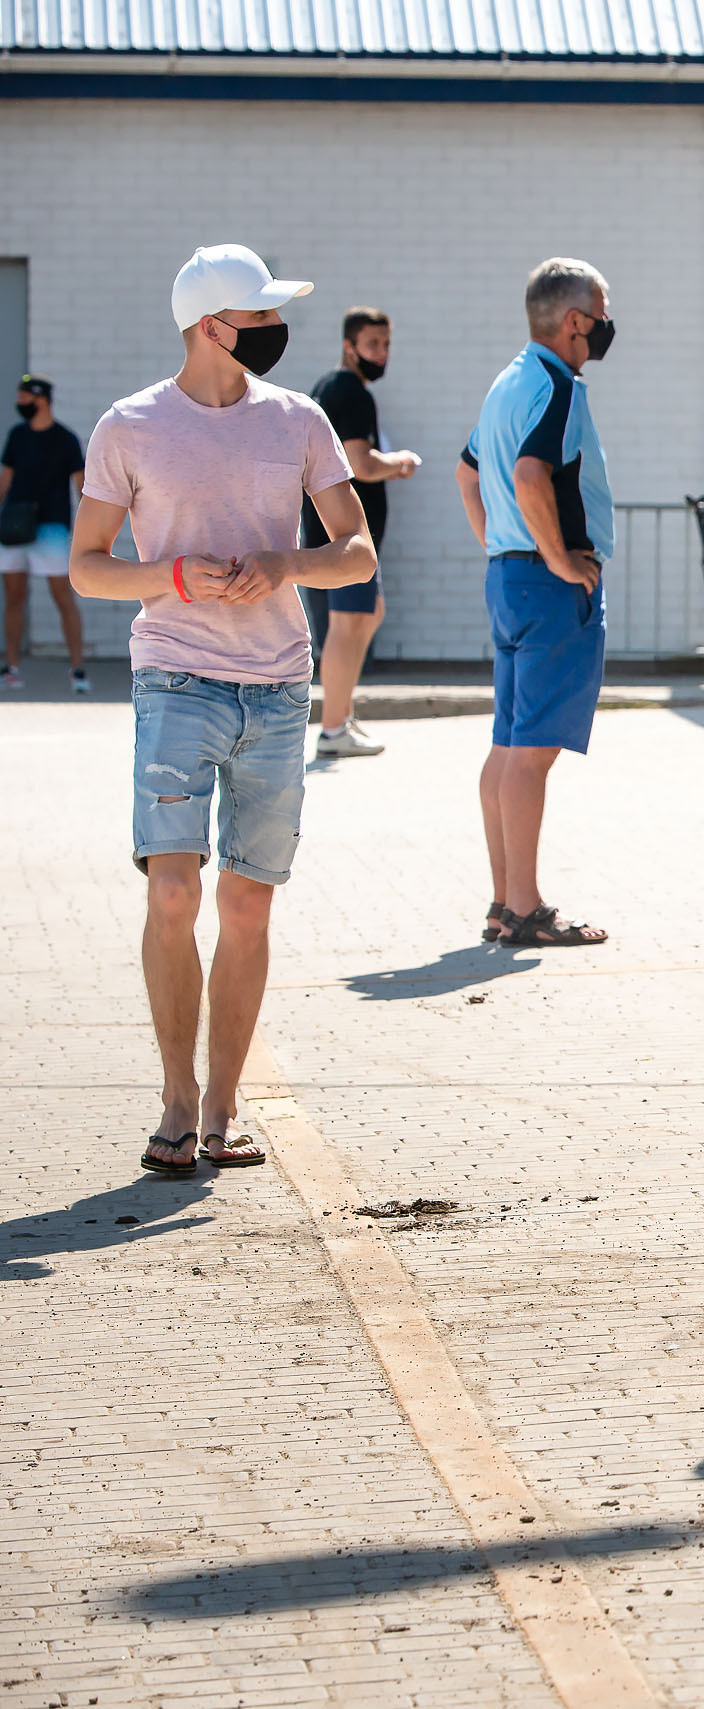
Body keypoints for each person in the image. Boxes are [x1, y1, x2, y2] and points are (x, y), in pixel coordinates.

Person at [67, 243, 373, 1175]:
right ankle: (176, 1098)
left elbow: (355, 549)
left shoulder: (300, 419)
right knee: (172, 890)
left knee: (245, 907)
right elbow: (87, 564)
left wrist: (285, 563)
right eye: (262, 317)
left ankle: (225, 1106)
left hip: (279, 688)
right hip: (175, 679)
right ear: (211, 327)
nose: (279, 332)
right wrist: (170, 576)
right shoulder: (129, 427)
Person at [457, 258, 617, 950]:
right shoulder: (558, 385)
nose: (608, 326)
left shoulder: (508, 380)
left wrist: (502, 544)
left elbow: (468, 472)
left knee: (508, 748)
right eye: (602, 313)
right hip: (548, 588)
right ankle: (524, 909)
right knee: (532, 755)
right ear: (575, 321)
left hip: (507, 580)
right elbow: (529, 474)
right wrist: (554, 557)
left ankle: (503, 902)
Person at [302, 307, 424, 759]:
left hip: (339, 537)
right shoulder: (349, 392)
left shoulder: (333, 388)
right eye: (373, 344)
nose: (382, 353)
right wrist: (400, 462)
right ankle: (334, 729)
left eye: (387, 344)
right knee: (347, 624)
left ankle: (341, 713)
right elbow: (360, 463)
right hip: (341, 537)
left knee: (368, 614)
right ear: (349, 346)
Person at [2, 374, 88, 692]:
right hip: (14, 529)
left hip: (52, 528)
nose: (21, 404)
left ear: (41, 399)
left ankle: (78, 668)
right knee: (13, 596)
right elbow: (5, 481)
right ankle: (11, 667)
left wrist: (90, 532)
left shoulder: (65, 439)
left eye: (25, 398)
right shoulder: (17, 436)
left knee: (62, 596)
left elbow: (82, 488)